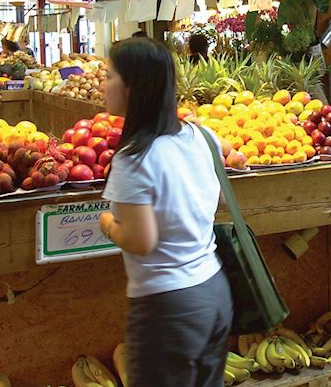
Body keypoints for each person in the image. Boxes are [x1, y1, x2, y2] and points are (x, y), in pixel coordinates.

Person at [98, 37, 232, 386]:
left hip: (168, 307)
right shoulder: (201, 136)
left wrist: (107, 223)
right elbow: (219, 200)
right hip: (214, 290)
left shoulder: (133, 158)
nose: (102, 85)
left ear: (132, 88)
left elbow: (141, 241)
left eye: (109, 76)